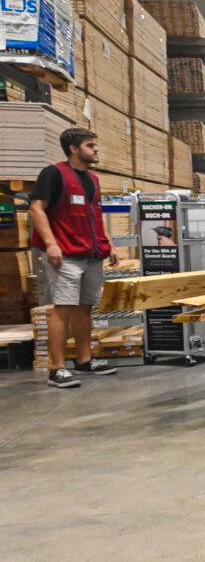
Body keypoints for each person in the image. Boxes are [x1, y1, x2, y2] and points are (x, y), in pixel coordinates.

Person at [29, 127, 120, 388]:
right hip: (64, 254)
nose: (96, 150)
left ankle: (84, 360)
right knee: (63, 308)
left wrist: (108, 244)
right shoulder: (54, 173)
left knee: (84, 307)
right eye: (91, 146)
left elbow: (94, 215)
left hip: (91, 252)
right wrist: (51, 244)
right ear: (74, 149)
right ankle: (56, 368)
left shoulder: (92, 178)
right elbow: (36, 208)